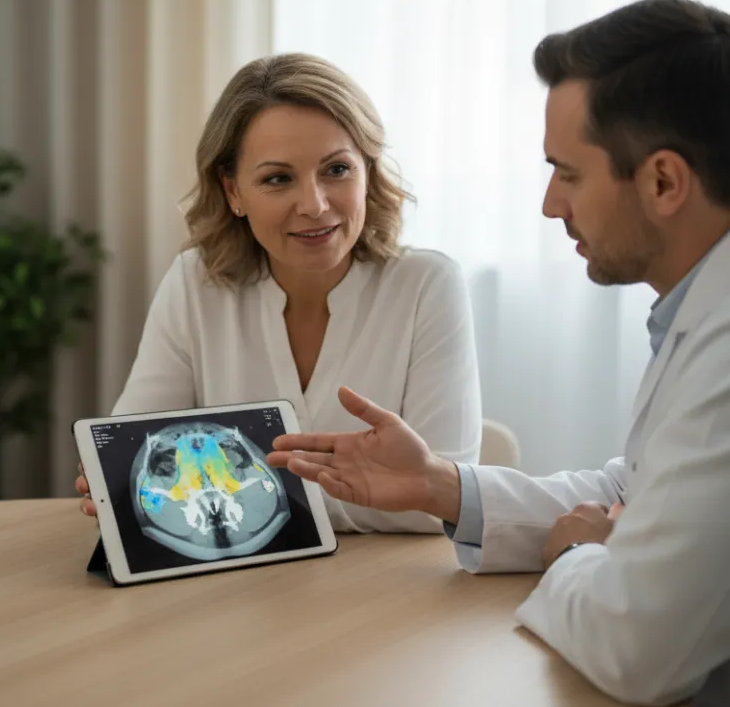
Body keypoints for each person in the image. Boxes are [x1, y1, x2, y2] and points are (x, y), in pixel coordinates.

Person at [267, 0, 730, 707]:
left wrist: (575, 553)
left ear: (664, 182)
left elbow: (638, 648)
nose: (547, 204)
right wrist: (441, 487)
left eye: (567, 173)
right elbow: (634, 489)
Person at [74, 52, 483, 534]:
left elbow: (437, 504)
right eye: (277, 179)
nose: (314, 205)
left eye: (336, 170)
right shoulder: (194, 283)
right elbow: (132, 467)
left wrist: (224, 506)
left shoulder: (428, 286)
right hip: (238, 596)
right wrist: (124, 489)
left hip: (384, 594)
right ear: (232, 192)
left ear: (367, 172)